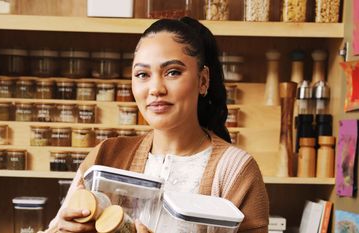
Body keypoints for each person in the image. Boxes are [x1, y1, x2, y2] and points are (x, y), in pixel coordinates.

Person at [43, 17, 269, 233]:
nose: (155, 88)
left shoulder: (237, 172)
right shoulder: (104, 157)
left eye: (173, 72)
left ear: (203, 80)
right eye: (142, 74)